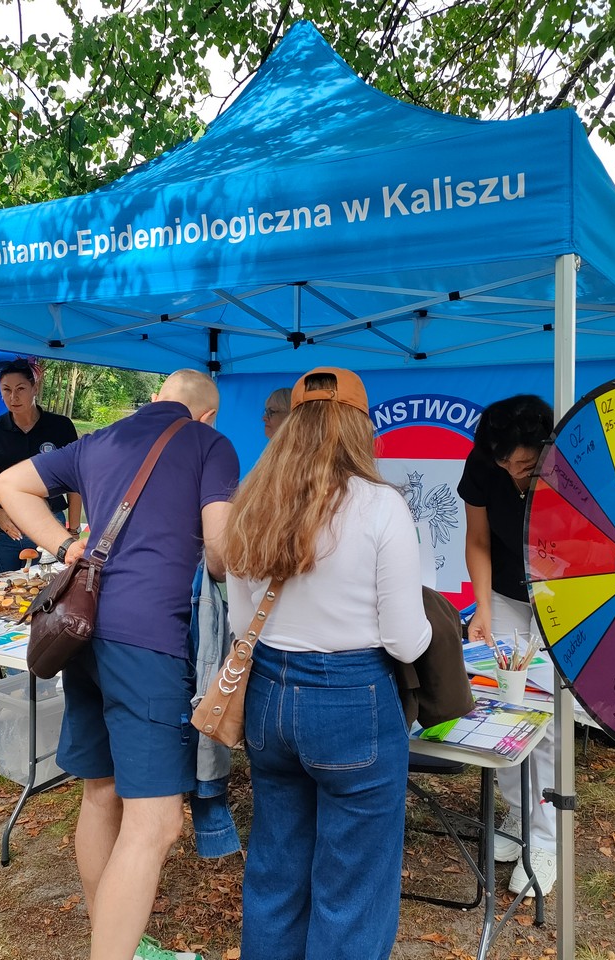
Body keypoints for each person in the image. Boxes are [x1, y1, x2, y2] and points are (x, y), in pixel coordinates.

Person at [0, 368, 238, 960]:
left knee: (100, 793)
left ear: (156, 399)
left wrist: (63, 546)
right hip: (148, 640)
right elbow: (221, 553)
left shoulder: (99, 440)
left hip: (84, 630)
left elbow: (7, 484)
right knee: (157, 823)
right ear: (207, 414)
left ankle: (115, 941)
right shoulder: (211, 444)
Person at [222, 367, 430, 960]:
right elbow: (406, 643)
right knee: (353, 888)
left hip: (269, 694)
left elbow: (241, 624)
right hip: (352, 699)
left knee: (276, 868)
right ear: (360, 428)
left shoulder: (252, 501)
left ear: (291, 426)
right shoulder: (381, 505)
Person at [458, 393, 558, 896]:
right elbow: (478, 540)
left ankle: (546, 837)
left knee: (549, 715)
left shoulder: (570, 464)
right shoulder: (484, 463)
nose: (514, 474)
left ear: (546, 447)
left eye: (523, 465)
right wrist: (482, 608)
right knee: (505, 707)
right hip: (505, 594)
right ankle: (518, 814)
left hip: (564, 595)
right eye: (505, 465)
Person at [0, 356, 81, 576]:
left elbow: (75, 480)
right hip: (1, 528)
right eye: (6, 390)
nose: (13, 397)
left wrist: (74, 527)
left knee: (50, 588)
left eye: (20, 388)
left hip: (49, 524)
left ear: (35, 388)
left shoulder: (60, 427)